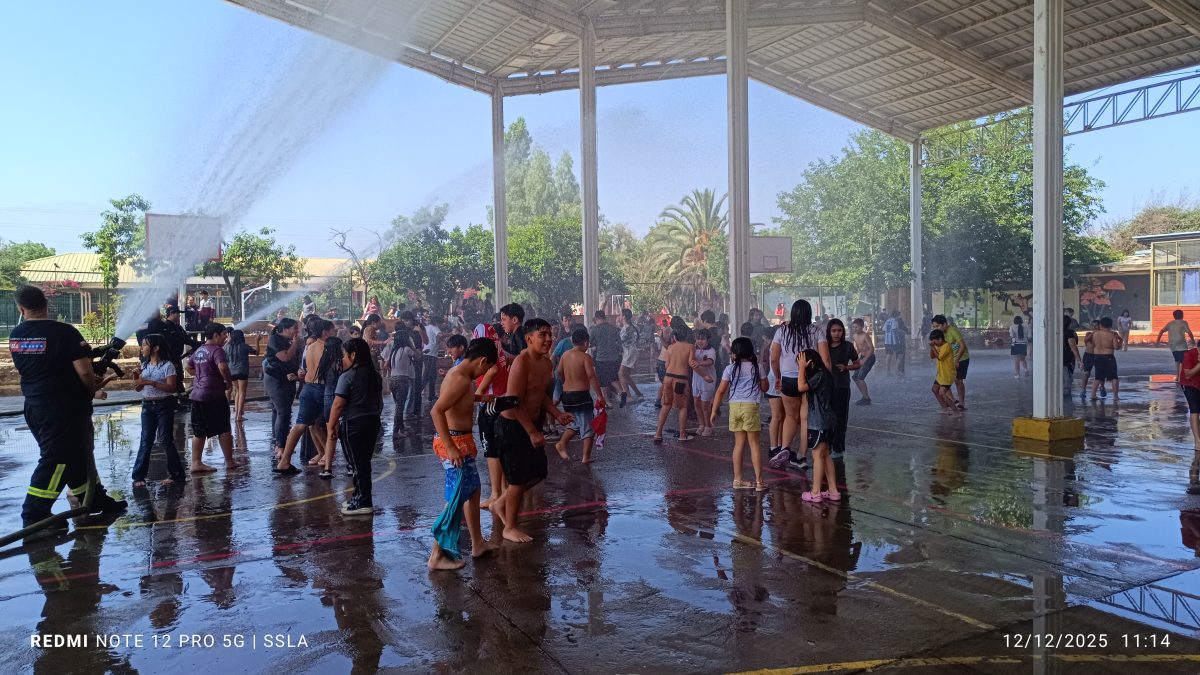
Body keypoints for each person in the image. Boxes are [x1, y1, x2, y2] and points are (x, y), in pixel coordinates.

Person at [10, 287, 127, 535]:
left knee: (76, 454)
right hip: (63, 408)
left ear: (21, 309)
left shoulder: (17, 335)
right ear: (47, 304)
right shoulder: (64, 332)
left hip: (35, 406)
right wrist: (91, 387)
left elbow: (46, 365)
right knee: (57, 458)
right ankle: (34, 514)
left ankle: (94, 499)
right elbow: (84, 371)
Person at [492, 318, 572, 543]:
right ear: (528, 338)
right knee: (518, 479)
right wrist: (531, 432)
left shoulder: (546, 364)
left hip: (531, 425)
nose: (548, 339)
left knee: (537, 473)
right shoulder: (522, 362)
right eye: (542, 335)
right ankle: (509, 527)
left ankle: (500, 503)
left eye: (549, 335)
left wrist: (557, 414)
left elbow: (540, 395)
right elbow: (513, 401)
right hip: (513, 426)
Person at [428, 338, 500, 570]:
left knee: (473, 490)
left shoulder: (463, 376)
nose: (485, 373)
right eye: (487, 368)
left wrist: (481, 398)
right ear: (482, 361)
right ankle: (437, 555)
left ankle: (477, 543)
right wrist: (450, 447)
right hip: (454, 443)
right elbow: (436, 411)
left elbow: (459, 398)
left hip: (461, 441)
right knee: (456, 498)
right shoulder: (459, 378)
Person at [769, 300, 830, 472]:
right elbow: (826, 359)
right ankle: (801, 456)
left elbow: (773, 358)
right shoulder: (816, 331)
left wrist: (778, 377)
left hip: (788, 379)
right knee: (805, 419)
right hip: (810, 379)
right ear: (809, 314)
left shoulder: (782, 331)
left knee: (790, 416)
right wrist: (826, 379)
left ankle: (785, 448)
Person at [475, 303, 525, 510]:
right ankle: (502, 490)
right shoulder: (501, 350)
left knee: (492, 449)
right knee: (500, 447)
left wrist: (477, 394)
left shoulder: (494, 354)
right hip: (503, 400)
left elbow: (493, 370)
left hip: (492, 402)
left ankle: (497, 493)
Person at [326, 338, 384, 515]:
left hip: (353, 423)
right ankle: (359, 496)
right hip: (372, 421)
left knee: (357, 463)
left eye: (345, 355)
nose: (343, 359)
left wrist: (331, 426)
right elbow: (380, 402)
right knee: (363, 461)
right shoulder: (375, 375)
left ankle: (363, 500)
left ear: (353, 355)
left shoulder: (348, 376)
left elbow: (338, 404)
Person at [275, 319, 335, 474]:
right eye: (332, 331)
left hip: (307, 388)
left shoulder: (309, 347)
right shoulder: (328, 348)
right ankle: (329, 460)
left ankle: (284, 461)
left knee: (301, 424)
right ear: (325, 332)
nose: (334, 333)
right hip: (322, 389)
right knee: (331, 426)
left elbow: (303, 369)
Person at [710, 337, 768, 492]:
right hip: (750, 407)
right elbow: (765, 388)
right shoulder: (757, 367)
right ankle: (759, 481)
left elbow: (720, 391)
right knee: (754, 444)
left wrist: (714, 410)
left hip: (735, 407)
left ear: (735, 353)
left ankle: (738, 480)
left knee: (738, 444)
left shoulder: (730, 369)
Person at [186, 323, 241, 473]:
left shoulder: (199, 350)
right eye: (224, 334)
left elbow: (188, 366)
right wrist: (228, 381)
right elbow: (223, 367)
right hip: (214, 394)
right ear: (216, 335)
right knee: (223, 427)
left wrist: (201, 375)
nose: (226, 338)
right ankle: (229, 461)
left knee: (199, 430)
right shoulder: (217, 350)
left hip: (197, 395)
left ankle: (196, 463)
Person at [131, 334, 184, 487]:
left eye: (145, 345)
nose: (142, 348)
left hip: (164, 405)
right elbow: (138, 388)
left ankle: (176, 474)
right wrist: (137, 378)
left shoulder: (168, 366)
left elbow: (171, 388)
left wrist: (150, 382)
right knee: (146, 439)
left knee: (165, 439)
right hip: (147, 405)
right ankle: (138, 476)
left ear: (155, 348)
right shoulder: (144, 365)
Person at [555, 327, 606, 463]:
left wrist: (565, 382)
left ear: (572, 341)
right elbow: (591, 377)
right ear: (586, 343)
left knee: (575, 422)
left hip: (567, 396)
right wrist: (600, 395)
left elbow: (559, 372)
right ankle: (586, 457)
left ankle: (561, 444)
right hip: (581, 396)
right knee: (588, 426)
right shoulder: (585, 357)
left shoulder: (565, 355)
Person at [797, 350, 838, 503]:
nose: (800, 368)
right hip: (828, 421)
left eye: (802, 364)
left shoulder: (819, 375)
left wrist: (802, 368)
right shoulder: (825, 374)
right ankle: (833, 490)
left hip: (819, 422)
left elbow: (801, 387)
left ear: (810, 363)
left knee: (817, 455)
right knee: (825, 455)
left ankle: (815, 492)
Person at [263, 318, 301, 461]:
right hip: (276, 379)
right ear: (285, 329)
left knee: (279, 411)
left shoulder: (290, 340)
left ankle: (279, 442)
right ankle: (281, 446)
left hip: (288, 378)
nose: (296, 331)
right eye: (294, 328)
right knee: (283, 412)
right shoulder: (275, 339)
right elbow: (285, 357)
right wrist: (295, 342)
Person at [654, 325, 695, 443]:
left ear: (675, 337)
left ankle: (658, 433)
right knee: (683, 407)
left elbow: (666, 365)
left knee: (666, 405)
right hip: (681, 379)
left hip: (668, 378)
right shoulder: (690, 347)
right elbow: (691, 363)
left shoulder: (670, 348)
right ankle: (682, 434)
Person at [826, 319, 859, 461]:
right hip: (826, 388)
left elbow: (857, 363)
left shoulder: (847, 346)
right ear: (829, 332)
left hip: (842, 387)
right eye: (833, 331)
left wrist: (847, 367)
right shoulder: (823, 346)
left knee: (840, 419)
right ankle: (826, 446)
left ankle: (838, 448)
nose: (836, 334)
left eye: (839, 330)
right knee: (826, 418)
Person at [382, 319, 418, 435]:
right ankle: (396, 432)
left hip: (392, 380)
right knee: (399, 407)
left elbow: (386, 365)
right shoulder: (407, 349)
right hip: (403, 380)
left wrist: (396, 368)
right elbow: (418, 357)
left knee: (399, 405)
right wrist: (411, 346)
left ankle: (401, 429)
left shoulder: (394, 351)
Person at [931, 315, 969, 410]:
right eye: (934, 326)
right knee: (944, 380)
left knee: (958, 380)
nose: (936, 328)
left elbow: (962, 345)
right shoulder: (939, 334)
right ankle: (952, 400)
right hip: (948, 360)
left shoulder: (953, 331)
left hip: (961, 358)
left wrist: (957, 359)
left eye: (937, 326)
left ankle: (961, 403)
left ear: (944, 324)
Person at [589, 310, 624, 403]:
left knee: (603, 382)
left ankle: (607, 402)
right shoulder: (613, 328)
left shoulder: (594, 330)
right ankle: (621, 392)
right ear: (604, 317)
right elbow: (619, 342)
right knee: (613, 378)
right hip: (614, 358)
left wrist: (595, 346)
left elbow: (590, 343)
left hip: (601, 358)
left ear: (596, 318)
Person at [761, 326, 785, 459]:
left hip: (780, 379)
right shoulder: (774, 346)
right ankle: (773, 447)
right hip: (775, 380)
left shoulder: (779, 344)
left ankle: (780, 446)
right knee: (777, 416)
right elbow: (773, 362)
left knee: (782, 416)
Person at [223, 329, 256, 421]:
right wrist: (257, 341)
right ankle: (239, 415)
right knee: (242, 392)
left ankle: (237, 414)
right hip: (242, 371)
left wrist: (228, 341)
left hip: (231, 372)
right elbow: (256, 352)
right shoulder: (244, 346)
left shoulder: (227, 347)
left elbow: (221, 351)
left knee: (237, 391)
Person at [690, 329, 718, 437]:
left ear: (708, 340)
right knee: (696, 403)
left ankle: (708, 426)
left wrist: (699, 363)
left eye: (703, 339)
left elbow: (709, 362)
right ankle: (701, 424)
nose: (700, 341)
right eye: (698, 339)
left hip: (708, 381)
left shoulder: (711, 351)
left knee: (705, 405)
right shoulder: (694, 349)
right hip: (696, 380)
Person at [1089, 316, 1123, 401]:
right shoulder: (1112, 334)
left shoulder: (1095, 334)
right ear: (1110, 325)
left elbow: (1092, 345)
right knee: (1114, 377)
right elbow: (1116, 347)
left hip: (1097, 356)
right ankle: (1115, 396)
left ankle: (1093, 394)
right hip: (1108, 357)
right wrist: (1121, 341)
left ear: (1101, 324)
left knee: (1098, 377)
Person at [928, 329, 959, 415]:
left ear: (940, 339)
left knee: (942, 393)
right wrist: (932, 347)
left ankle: (956, 412)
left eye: (935, 341)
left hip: (947, 374)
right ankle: (945, 408)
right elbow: (932, 356)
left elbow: (939, 357)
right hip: (941, 374)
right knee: (934, 389)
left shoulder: (946, 346)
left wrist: (932, 347)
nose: (934, 343)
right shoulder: (938, 346)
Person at [1157, 309, 1195, 378]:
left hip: (1172, 344)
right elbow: (1189, 332)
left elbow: (1161, 331)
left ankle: (1177, 375)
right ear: (1182, 315)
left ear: (1174, 316)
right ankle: (1182, 376)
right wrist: (1193, 340)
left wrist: (1157, 341)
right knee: (1183, 360)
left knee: (1177, 359)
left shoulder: (1170, 323)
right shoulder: (1184, 322)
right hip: (1181, 344)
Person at [617, 308, 643, 404]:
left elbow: (620, 341)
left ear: (624, 317)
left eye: (620, 315)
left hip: (628, 352)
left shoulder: (626, 328)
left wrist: (618, 327)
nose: (619, 317)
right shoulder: (634, 326)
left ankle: (628, 396)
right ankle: (638, 393)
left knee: (621, 374)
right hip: (633, 351)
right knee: (626, 375)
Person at [850, 318, 875, 405]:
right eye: (853, 327)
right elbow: (859, 349)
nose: (855, 329)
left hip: (870, 357)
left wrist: (865, 359)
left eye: (857, 327)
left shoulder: (865, 335)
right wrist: (853, 358)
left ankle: (866, 398)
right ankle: (864, 396)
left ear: (862, 327)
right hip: (862, 357)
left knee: (860, 378)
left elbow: (871, 349)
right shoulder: (854, 336)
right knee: (855, 377)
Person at [1180, 344, 1200, 452]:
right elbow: (1188, 375)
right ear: (1198, 348)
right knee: (1194, 409)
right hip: (1189, 384)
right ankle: (1197, 441)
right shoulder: (1188, 354)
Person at [422, 314, 442, 403]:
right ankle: (417, 392)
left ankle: (431, 395)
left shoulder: (426, 327)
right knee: (427, 375)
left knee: (433, 375)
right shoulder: (435, 327)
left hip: (427, 352)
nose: (442, 325)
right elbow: (440, 335)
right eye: (441, 323)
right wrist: (450, 334)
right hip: (431, 353)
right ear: (437, 322)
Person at [882, 310, 907, 377]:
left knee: (889, 355)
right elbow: (894, 329)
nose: (899, 317)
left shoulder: (887, 321)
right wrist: (902, 331)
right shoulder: (895, 320)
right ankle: (896, 370)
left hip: (887, 341)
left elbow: (883, 329)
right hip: (894, 341)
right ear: (896, 315)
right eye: (899, 315)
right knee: (900, 354)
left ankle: (888, 371)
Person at [1063, 315, 1083, 397]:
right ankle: (1066, 401)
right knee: (1066, 381)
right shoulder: (1069, 332)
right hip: (1066, 360)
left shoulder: (1054, 331)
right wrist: (1079, 360)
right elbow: (1073, 347)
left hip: (1055, 360)